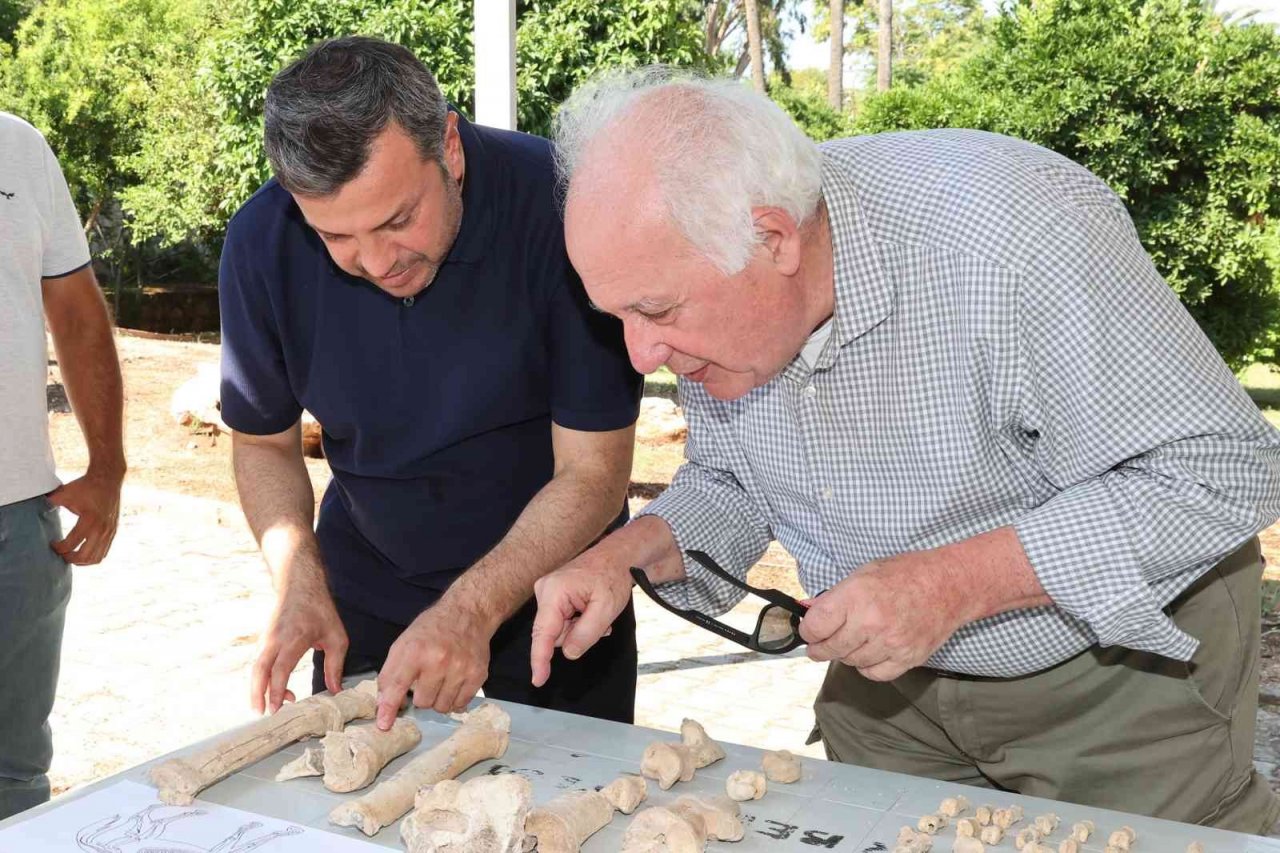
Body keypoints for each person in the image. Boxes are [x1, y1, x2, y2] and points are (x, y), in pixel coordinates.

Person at [530, 68, 1280, 833]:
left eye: (654, 310)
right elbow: (730, 478)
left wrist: (951, 583)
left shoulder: (1020, 234)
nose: (638, 352)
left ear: (775, 238)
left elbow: (1221, 467)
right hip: (888, 690)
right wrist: (629, 552)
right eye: (615, 315)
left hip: (1112, 672)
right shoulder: (720, 285)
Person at [218, 36, 642, 731]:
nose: (377, 261)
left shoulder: (564, 207)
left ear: (447, 145)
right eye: (338, 238)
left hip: (553, 603)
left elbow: (595, 472)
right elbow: (263, 443)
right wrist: (298, 580)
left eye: (397, 220)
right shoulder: (262, 242)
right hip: (366, 595)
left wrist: (471, 610)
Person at [0, 112, 125, 819]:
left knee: (15, 777)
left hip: (19, 525)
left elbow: (76, 313)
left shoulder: (18, 148)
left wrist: (107, 466)